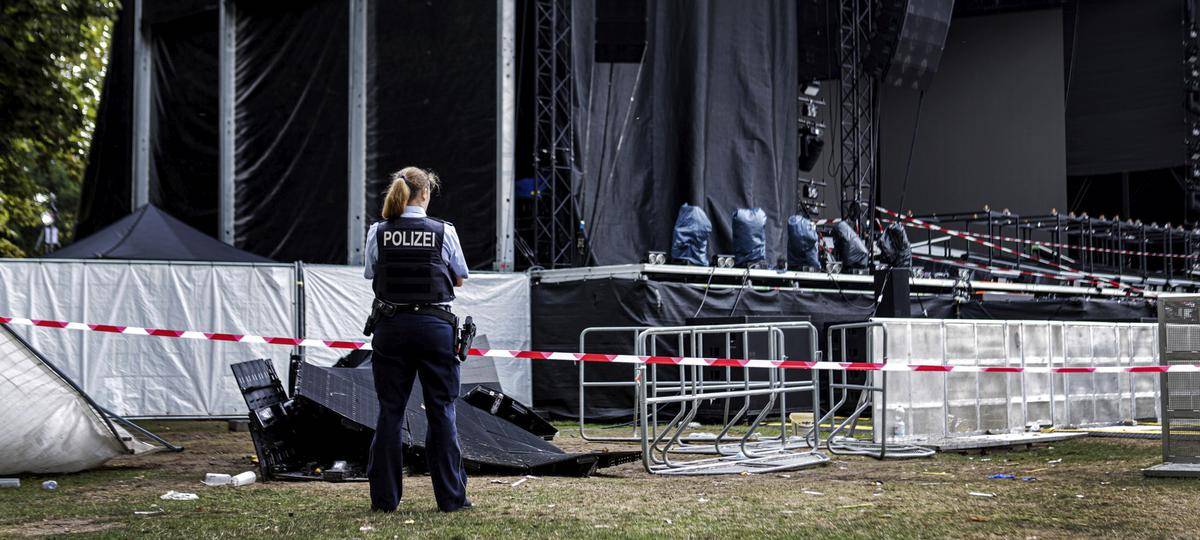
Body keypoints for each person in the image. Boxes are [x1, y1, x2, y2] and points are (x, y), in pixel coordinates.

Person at [363, 166, 471, 513]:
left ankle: (385, 501)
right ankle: (451, 500)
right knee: (441, 411)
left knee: (390, 413)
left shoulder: (378, 231)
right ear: (425, 194)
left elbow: (371, 274)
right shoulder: (444, 231)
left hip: (391, 327)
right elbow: (460, 278)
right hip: (435, 327)